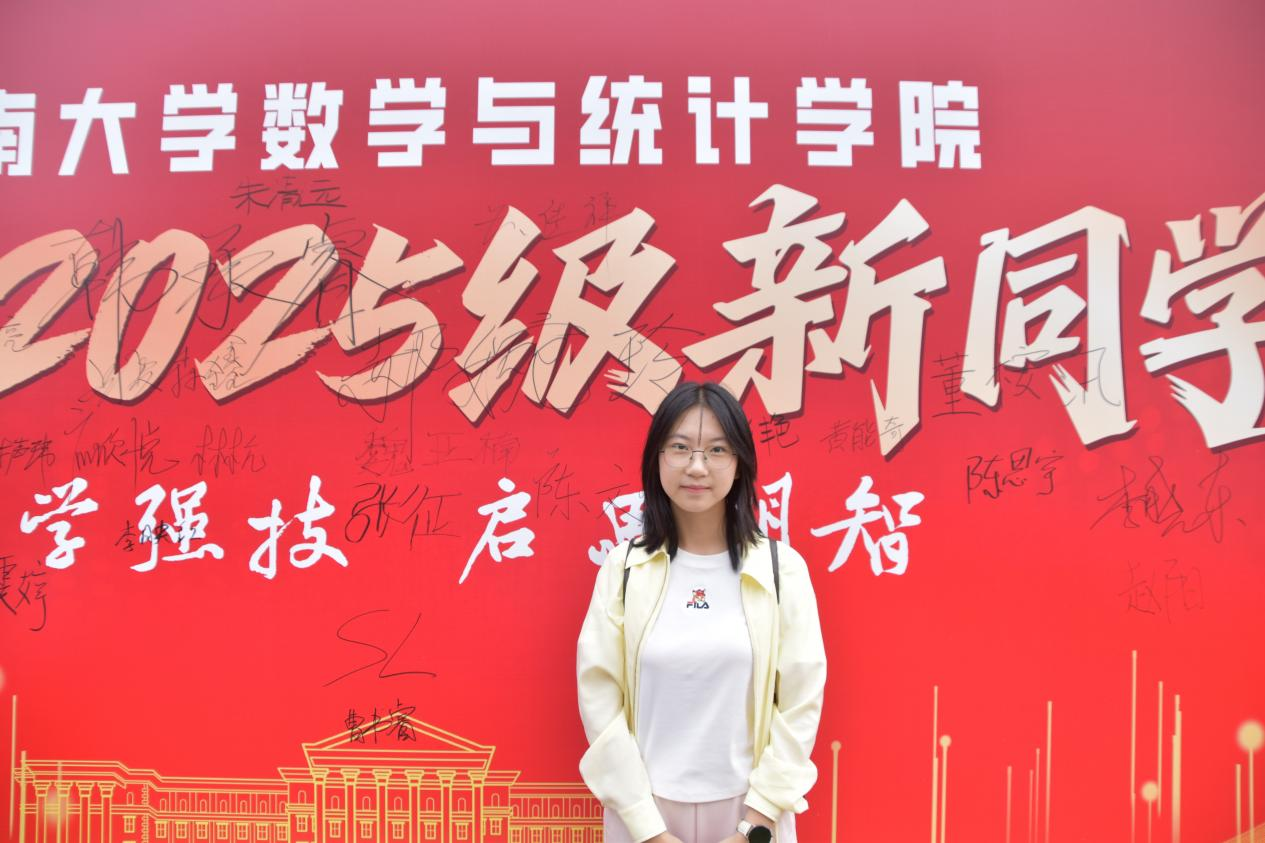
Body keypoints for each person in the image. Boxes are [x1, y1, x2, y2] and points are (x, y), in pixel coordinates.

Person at [577, 381, 827, 843]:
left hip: (750, 811)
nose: (697, 466)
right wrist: (648, 828)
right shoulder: (624, 568)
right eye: (680, 448)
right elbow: (600, 702)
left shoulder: (780, 569)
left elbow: (800, 703)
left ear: (740, 463)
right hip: (644, 813)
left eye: (716, 450)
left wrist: (756, 822)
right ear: (656, 458)